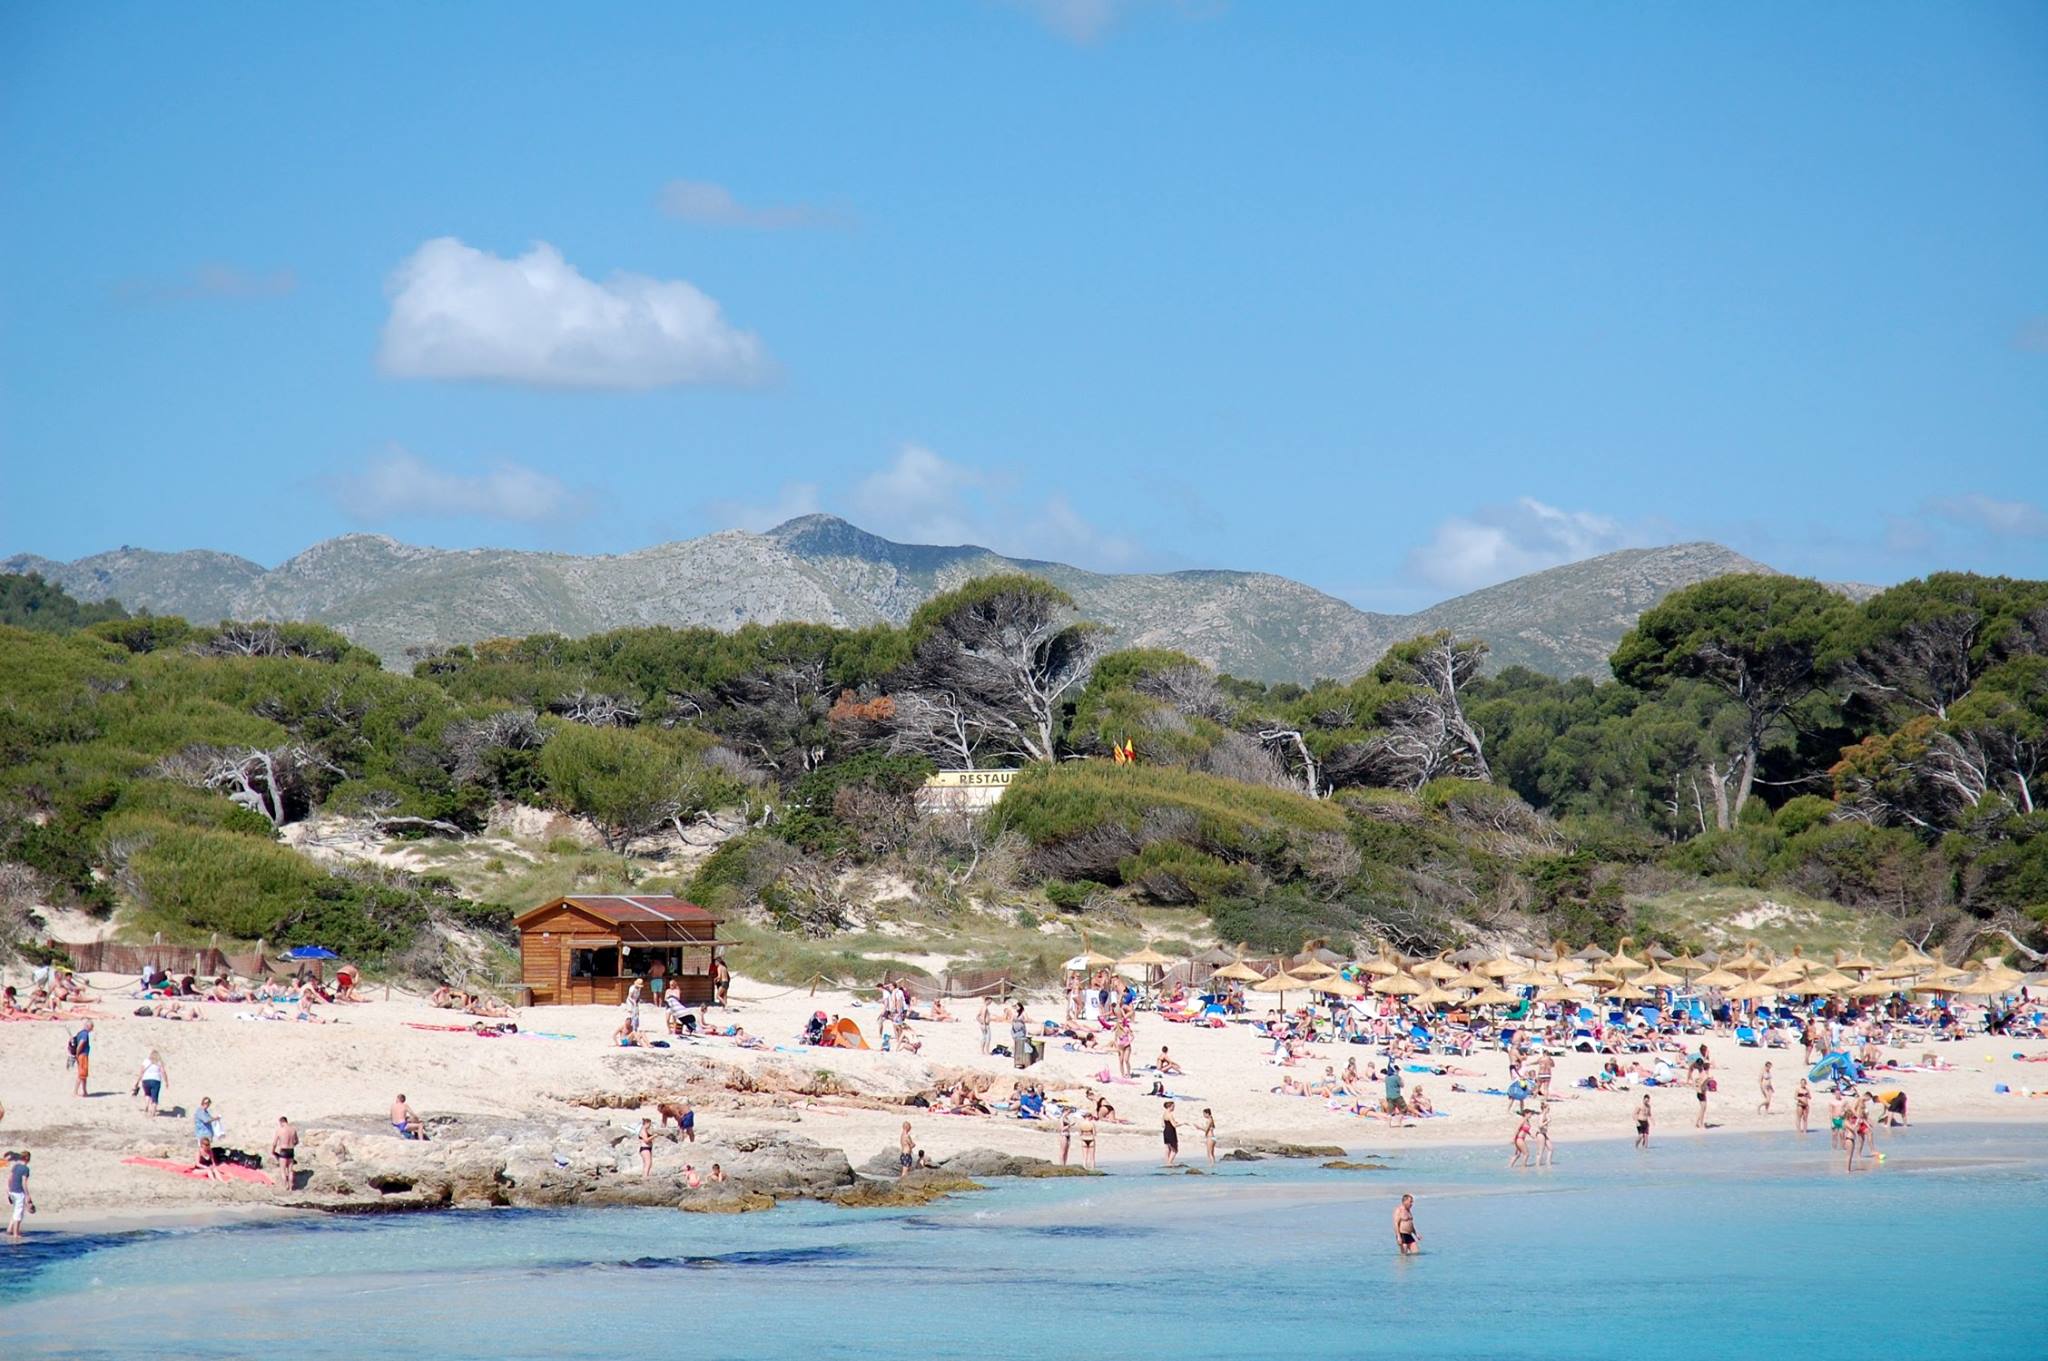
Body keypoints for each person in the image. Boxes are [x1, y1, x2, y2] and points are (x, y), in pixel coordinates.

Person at [193, 1097, 223, 1182]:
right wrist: (215, 1118)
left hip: (207, 1134)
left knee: (208, 1152)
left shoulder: (206, 1112)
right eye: (205, 1103)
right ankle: (205, 1168)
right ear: (202, 1103)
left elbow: (209, 1118)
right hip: (202, 1134)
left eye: (208, 1103)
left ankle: (221, 1182)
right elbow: (206, 1120)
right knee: (202, 1152)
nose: (206, 1105)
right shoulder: (200, 1112)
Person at [133, 1050, 167, 1116]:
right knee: (155, 1097)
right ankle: (153, 1113)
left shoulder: (146, 1061)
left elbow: (141, 1071)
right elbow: (163, 1072)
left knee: (147, 1094)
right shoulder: (159, 1062)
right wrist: (166, 1081)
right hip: (156, 1080)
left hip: (146, 1080)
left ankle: (146, 1106)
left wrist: (137, 1081)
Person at [5, 1151, 32, 1238]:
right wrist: (27, 1195)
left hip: (12, 1191)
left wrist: (8, 1190)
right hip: (19, 1193)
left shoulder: (16, 1166)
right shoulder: (25, 1169)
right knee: (18, 1213)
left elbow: (9, 1178)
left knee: (16, 1210)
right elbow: (24, 1183)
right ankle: (16, 1234)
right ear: (27, 1159)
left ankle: (9, 1230)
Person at [272, 1116, 298, 1191]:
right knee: (290, 1170)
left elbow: (274, 1143)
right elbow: (296, 1141)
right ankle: (291, 1187)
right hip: (291, 1150)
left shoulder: (280, 1130)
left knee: (283, 1169)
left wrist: (272, 1151)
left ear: (281, 1122)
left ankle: (285, 1185)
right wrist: (292, 1145)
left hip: (283, 1150)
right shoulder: (293, 1130)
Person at [67, 1020, 93, 1097]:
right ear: (88, 1027)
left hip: (82, 1055)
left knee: (84, 1074)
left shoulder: (80, 1033)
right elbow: (81, 1044)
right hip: (82, 1055)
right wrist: (77, 1054)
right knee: (81, 1074)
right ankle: (75, 1092)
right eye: (92, 1027)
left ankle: (85, 1092)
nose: (92, 1029)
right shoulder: (85, 1034)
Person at [1161, 1100, 1180, 1168]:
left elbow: (1163, 1124)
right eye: (1173, 1106)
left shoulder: (1164, 1114)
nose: (1174, 1108)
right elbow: (1174, 1125)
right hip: (1171, 1132)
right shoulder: (1170, 1114)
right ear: (1170, 1107)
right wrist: (1183, 1123)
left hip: (1165, 1131)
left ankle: (1167, 1162)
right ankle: (1170, 1162)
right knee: (1175, 1149)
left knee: (1167, 1148)